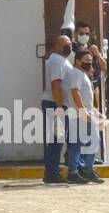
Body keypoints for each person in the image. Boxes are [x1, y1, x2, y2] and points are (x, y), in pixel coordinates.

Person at [65, 47, 105, 185]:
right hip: (79, 115)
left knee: (83, 142)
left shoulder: (81, 74)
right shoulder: (76, 74)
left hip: (84, 113)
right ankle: (79, 171)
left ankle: (82, 170)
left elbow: (83, 95)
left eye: (90, 61)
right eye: (86, 61)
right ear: (77, 61)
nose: (89, 63)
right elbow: (75, 93)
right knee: (86, 142)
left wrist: (92, 110)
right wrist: (83, 111)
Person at [41, 34, 73, 185]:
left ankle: (52, 171)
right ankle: (51, 173)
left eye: (69, 44)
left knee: (57, 140)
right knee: (56, 140)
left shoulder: (61, 60)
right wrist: (60, 106)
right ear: (57, 46)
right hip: (55, 104)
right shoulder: (57, 60)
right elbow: (56, 84)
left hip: (57, 104)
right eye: (64, 44)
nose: (68, 47)